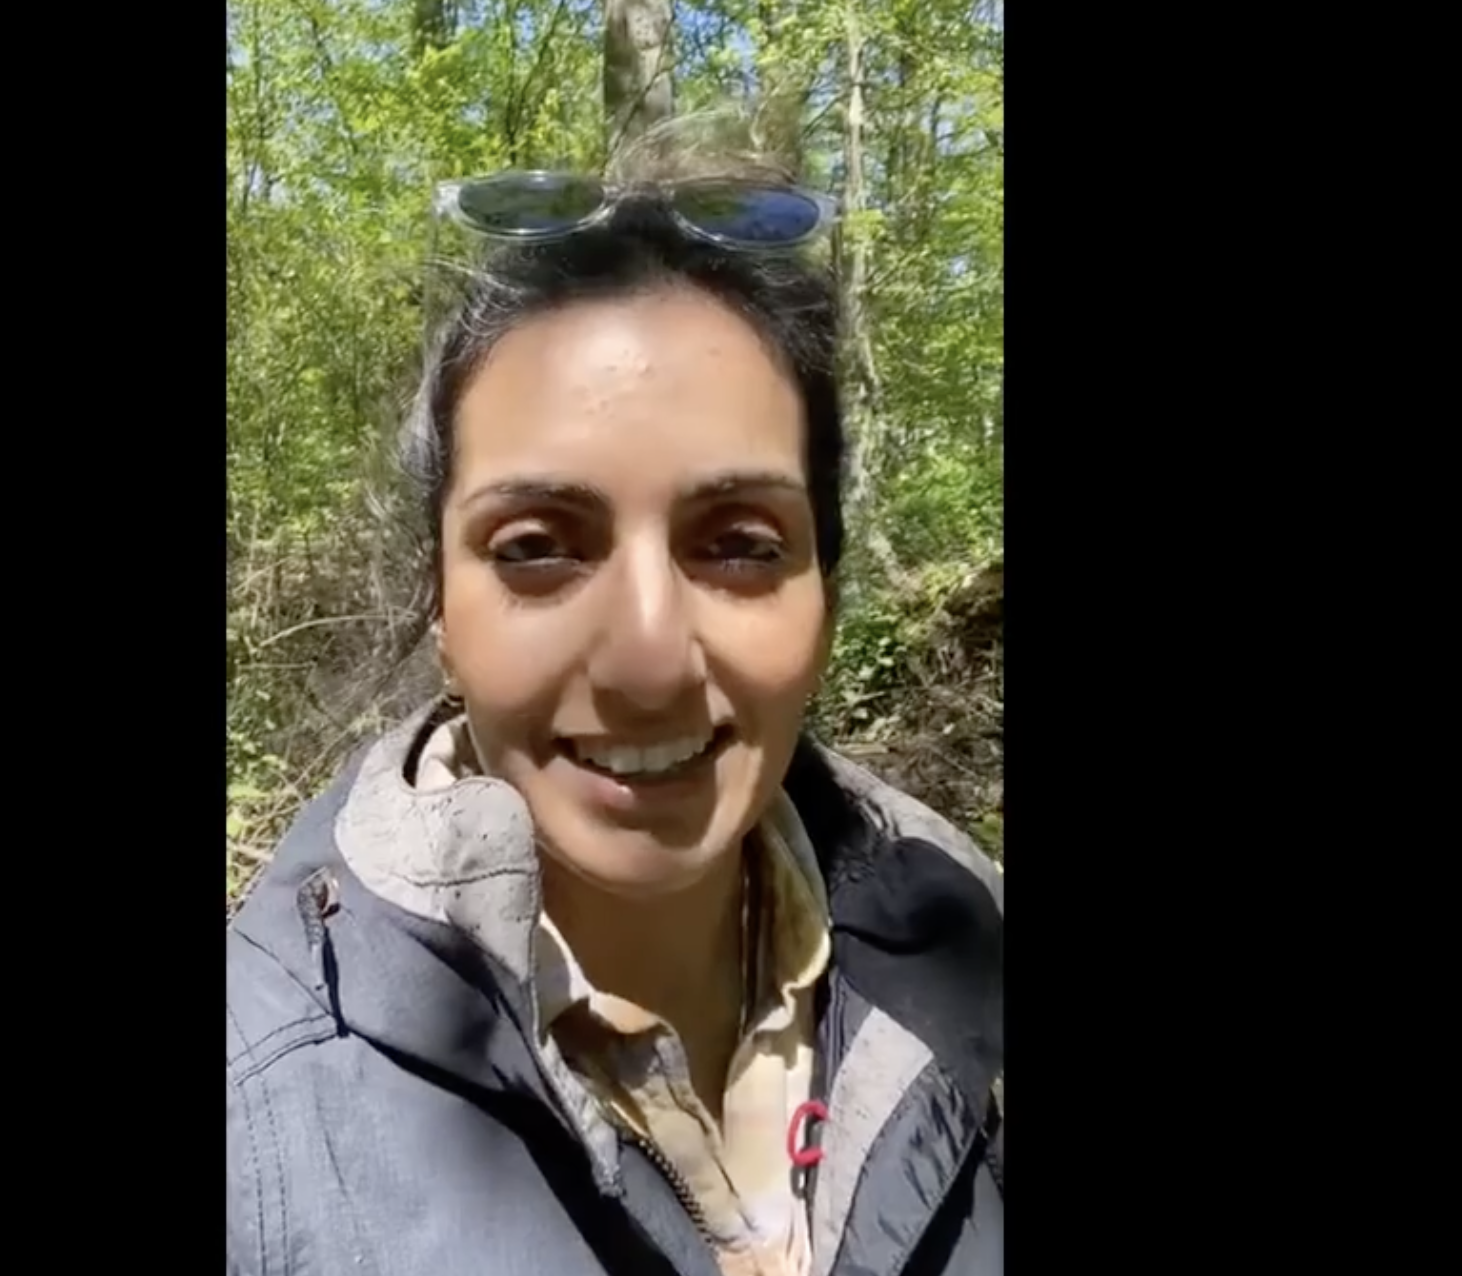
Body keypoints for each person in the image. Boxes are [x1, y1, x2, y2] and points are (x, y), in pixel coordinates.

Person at [224, 143, 1004, 1276]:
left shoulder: (969, 961)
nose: (647, 659)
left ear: (826, 599)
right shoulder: (257, 1133)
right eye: (537, 546)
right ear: (441, 608)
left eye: (740, 545)